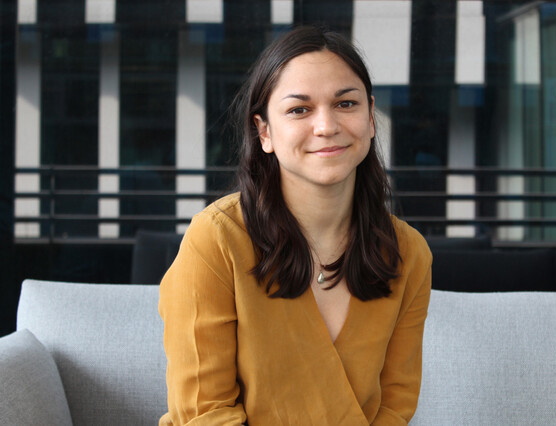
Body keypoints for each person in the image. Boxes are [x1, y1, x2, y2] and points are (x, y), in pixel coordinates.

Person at [159, 26, 432, 426]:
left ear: (371, 118)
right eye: (299, 110)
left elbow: (395, 408)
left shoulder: (408, 253)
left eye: (345, 103)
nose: (326, 126)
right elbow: (206, 414)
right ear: (264, 131)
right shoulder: (215, 240)